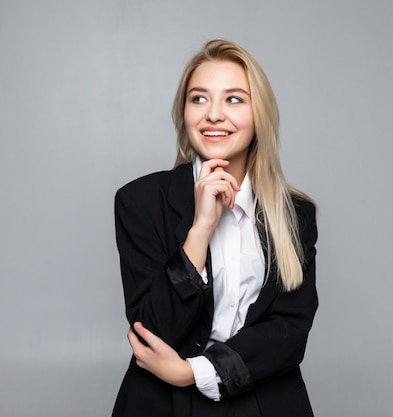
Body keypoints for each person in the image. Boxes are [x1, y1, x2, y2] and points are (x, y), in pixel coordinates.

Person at [111, 39, 318, 417]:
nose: (214, 115)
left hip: (263, 399)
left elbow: (290, 331)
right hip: (164, 404)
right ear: (184, 113)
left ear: (260, 115)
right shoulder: (139, 201)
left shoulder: (295, 214)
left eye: (234, 99)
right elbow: (151, 330)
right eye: (199, 99)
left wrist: (192, 372)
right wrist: (200, 229)